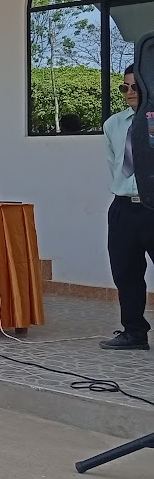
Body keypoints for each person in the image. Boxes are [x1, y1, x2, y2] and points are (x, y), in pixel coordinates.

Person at [101, 64, 151, 350]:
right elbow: (115, 164)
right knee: (126, 273)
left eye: (135, 86)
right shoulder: (114, 124)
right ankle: (134, 333)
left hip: (153, 207)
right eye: (125, 87)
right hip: (124, 208)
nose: (130, 92)